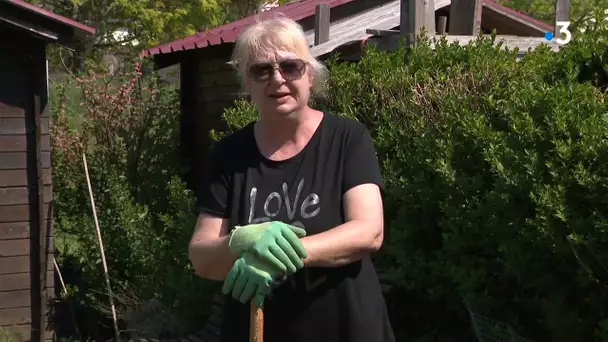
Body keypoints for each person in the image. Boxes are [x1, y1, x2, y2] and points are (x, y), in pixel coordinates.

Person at [188, 16, 394, 342]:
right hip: (258, 331)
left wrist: (280, 257)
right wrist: (237, 242)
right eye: (261, 70)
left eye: (290, 66)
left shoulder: (347, 139)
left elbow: (369, 231)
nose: (277, 79)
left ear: (310, 74)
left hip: (347, 329)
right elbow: (201, 257)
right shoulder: (229, 155)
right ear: (247, 83)